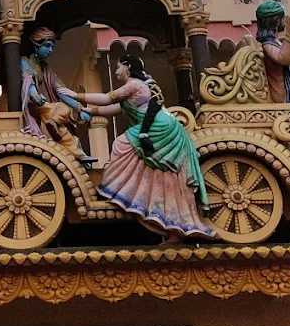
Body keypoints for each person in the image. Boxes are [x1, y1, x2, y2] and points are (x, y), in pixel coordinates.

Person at [70, 54, 216, 243]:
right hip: (161, 125)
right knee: (155, 170)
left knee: (121, 144)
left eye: (119, 67)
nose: (116, 71)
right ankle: (156, 212)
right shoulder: (138, 87)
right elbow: (114, 109)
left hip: (159, 127)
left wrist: (75, 95)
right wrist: (88, 111)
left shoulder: (134, 84)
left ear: (128, 67)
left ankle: (117, 190)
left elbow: (107, 99)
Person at [20, 27, 93, 164]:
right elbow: (27, 80)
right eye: (47, 46)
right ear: (36, 45)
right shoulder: (25, 61)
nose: (50, 50)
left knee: (63, 117)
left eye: (52, 46)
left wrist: (78, 108)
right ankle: (76, 152)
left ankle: (74, 150)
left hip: (48, 108)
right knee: (59, 109)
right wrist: (34, 95)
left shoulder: (46, 69)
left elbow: (60, 90)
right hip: (34, 106)